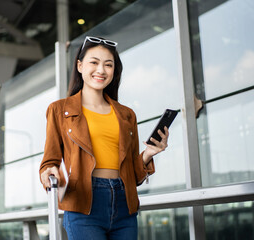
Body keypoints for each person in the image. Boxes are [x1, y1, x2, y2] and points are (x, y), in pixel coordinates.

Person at [39, 36, 169, 240]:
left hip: (124, 204)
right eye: (94, 62)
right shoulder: (59, 110)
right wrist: (49, 172)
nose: (101, 70)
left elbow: (133, 176)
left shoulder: (126, 114)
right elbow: (49, 162)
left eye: (108, 65)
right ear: (80, 66)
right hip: (83, 205)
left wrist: (149, 154)